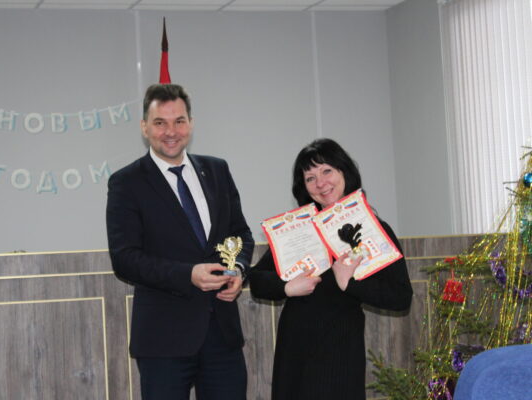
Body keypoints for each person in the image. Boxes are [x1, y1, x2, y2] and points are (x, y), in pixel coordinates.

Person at [106, 83, 254, 400]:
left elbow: (240, 233)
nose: (170, 132)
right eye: (160, 122)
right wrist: (188, 275)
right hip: (163, 341)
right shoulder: (126, 182)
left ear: (191, 123)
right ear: (145, 127)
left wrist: (239, 270)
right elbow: (125, 258)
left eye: (179, 121)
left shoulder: (217, 170)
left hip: (222, 336)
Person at [249, 138, 413, 400]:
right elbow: (257, 280)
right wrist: (287, 287)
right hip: (295, 348)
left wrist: (350, 283)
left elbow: (401, 297)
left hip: (340, 351)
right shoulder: (299, 229)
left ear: (344, 172)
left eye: (327, 171)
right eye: (310, 178)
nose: (321, 183)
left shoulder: (372, 228)